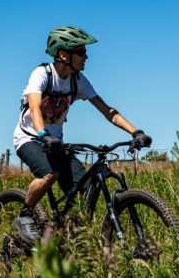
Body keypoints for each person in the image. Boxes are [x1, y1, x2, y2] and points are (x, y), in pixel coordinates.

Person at [11, 26, 152, 241]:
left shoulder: (78, 80)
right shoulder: (42, 74)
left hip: (55, 142)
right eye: (81, 52)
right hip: (30, 138)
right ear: (63, 54)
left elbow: (107, 110)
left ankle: (61, 235)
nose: (86, 56)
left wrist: (136, 131)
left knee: (87, 188)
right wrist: (42, 134)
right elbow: (34, 107)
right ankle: (26, 214)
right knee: (50, 174)